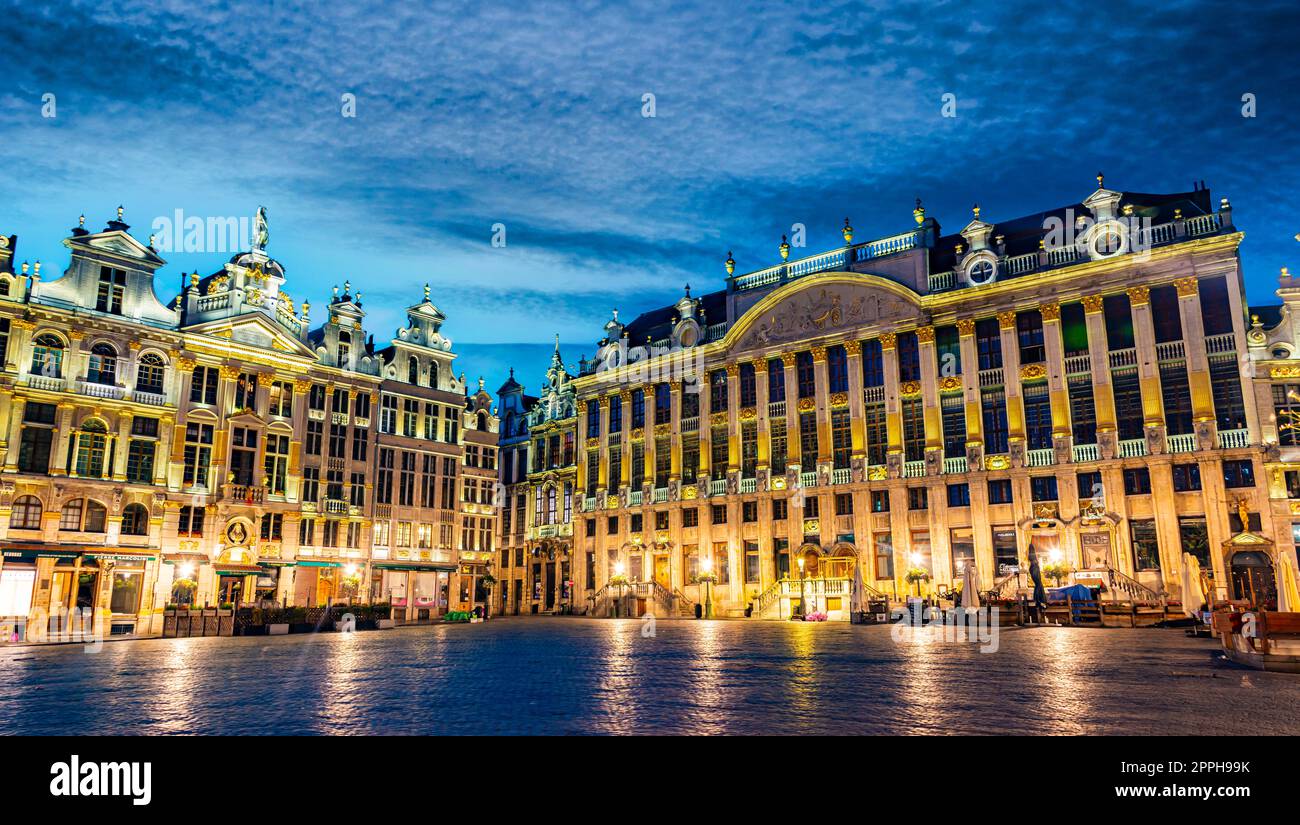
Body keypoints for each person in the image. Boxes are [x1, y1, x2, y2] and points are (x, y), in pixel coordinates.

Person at [1028, 548, 1047, 619]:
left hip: (1038, 584)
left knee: (1039, 597)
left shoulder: (1033, 566)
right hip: (1038, 584)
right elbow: (1037, 577)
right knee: (1039, 598)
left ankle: (1041, 611)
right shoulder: (1034, 566)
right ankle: (1041, 609)